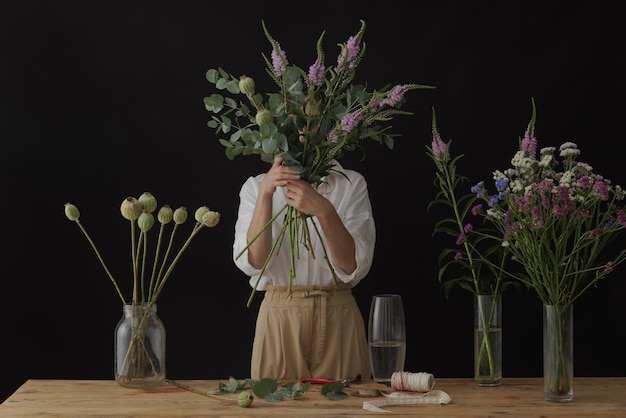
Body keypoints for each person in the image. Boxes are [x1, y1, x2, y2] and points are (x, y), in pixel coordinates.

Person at [233, 155, 375, 381]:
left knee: (347, 409)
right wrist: (265, 194)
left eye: (312, 120)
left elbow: (353, 266)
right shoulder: (256, 186)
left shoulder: (351, 183)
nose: (301, 128)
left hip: (339, 315)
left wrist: (325, 211)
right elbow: (254, 263)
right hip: (279, 316)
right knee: (276, 410)